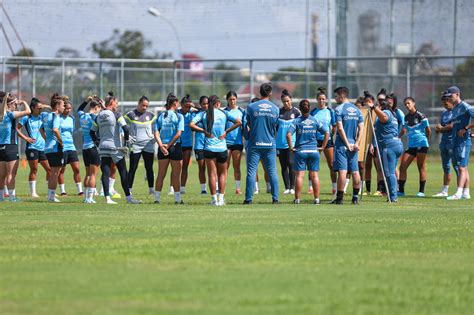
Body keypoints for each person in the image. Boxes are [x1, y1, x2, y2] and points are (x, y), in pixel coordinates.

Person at [190, 95, 241, 206]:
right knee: (222, 175)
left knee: (212, 175)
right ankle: (221, 199)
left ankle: (214, 200)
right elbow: (239, 122)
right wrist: (226, 132)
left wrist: (204, 131)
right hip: (222, 148)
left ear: (209, 103)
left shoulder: (203, 114)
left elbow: (191, 124)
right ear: (217, 103)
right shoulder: (224, 113)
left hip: (209, 148)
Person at [90, 91, 141, 204]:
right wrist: (127, 141)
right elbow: (126, 128)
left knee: (105, 172)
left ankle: (107, 198)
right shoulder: (117, 114)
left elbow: (92, 132)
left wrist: (97, 142)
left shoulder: (99, 116)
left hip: (103, 147)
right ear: (111, 102)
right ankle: (129, 198)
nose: (117, 105)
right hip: (115, 148)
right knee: (123, 171)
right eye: (116, 103)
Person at [243, 82, 280, 204]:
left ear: (260, 92)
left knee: (251, 171)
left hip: (254, 144)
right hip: (270, 144)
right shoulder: (275, 108)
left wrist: (248, 137)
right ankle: (275, 199)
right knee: (272, 171)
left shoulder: (251, 107)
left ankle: (248, 199)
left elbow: (245, 124)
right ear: (270, 93)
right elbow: (276, 126)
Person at [287, 99, 329, 204]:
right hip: (314, 151)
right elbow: (327, 133)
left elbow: (288, 135)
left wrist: (291, 147)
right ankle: (317, 199)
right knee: (314, 176)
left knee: (299, 176)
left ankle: (297, 199)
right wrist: (323, 146)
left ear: (300, 109)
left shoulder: (296, 121)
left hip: (301, 151)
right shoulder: (315, 120)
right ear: (309, 108)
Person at [365, 92, 403, 203]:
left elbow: (384, 117)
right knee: (391, 171)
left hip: (389, 146)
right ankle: (394, 192)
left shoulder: (386, 112)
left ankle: (393, 197)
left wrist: (374, 108)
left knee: (389, 172)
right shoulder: (394, 115)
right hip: (397, 145)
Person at [332, 86, 364, 205]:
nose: (335, 99)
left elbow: (340, 128)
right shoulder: (357, 110)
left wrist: (346, 143)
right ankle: (355, 198)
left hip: (342, 145)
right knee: (355, 172)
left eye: (336, 96)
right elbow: (362, 128)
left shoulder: (339, 109)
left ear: (342, 96)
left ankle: (339, 199)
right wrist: (356, 143)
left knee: (342, 171)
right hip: (354, 145)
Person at [16, 98, 51, 198]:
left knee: (49, 169)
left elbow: (50, 109)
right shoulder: (27, 117)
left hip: (43, 147)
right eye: (38, 108)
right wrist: (26, 138)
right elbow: (17, 129)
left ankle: (50, 192)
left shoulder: (42, 117)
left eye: (41, 108)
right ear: (32, 108)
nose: (40, 109)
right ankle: (33, 193)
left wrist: (43, 106)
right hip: (32, 147)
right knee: (34, 169)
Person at [153, 93, 184, 204]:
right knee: (176, 175)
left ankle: (157, 199)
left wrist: (161, 146)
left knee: (161, 174)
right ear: (175, 103)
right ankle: (177, 200)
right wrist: (169, 145)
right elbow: (178, 134)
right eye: (178, 103)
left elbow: (156, 133)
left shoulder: (160, 116)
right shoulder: (179, 116)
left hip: (162, 149)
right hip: (174, 147)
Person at [0, 93, 31, 202]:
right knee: (11, 174)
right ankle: (12, 197)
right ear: (10, 104)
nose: (16, 105)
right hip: (10, 147)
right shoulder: (10, 114)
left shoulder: (1, 115)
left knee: (2, 175)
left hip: (1, 147)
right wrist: (24, 102)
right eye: (15, 103)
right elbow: (28, 111)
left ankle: (1, 197)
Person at [398, 97, 430, 197]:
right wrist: (397, 137)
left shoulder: (421, 115)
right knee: (402, 166)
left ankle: (421, 191)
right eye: (405, 104)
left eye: (409, 103)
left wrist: (425, 142)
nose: (407, 105)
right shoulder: (406, 118)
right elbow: (404, 130)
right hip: (411, 145)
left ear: (413, 103)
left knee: (421, 167)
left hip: (421, 144)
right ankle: (401, 191)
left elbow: (428, 130)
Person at [124, 95, 156, 195]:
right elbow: (120, 125)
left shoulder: (151, 115)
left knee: (149, 167)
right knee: (133, 168)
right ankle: (129, 190)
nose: (145, 108)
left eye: (147, 106)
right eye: (143, 105)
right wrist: (126, 136)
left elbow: (157, 127)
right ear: (138, 104)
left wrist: (155, 138)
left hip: (148, 145)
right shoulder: (130, 114)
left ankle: (151, 189)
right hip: (135, 145)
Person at [444, 86, 472, 200]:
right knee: (462, 167)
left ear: (457, 94)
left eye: (451, 96)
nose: (449, 98)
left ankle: (458, 193)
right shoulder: (454, 108)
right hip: (455, 142)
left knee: (461, 167)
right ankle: (466, 192)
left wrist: (466, 128)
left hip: (463, 142)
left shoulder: (465, 106)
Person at [310, 87, 337, 195]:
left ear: (325, 100)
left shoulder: (330, 111)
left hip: (328, 140)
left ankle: (334, 187)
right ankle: (310, 187)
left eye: (323, 99)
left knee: (331, 164)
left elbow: (334, 126)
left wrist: (330, 135)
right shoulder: (313, 112)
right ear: (317, 100)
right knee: (312, 164)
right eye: (319, 99)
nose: (321, 101)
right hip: (315, 140)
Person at [78, 95, 102, 203]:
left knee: (87, 174)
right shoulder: (95, 117)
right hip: (93, 147)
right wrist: (103, 105)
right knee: (93, 174)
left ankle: (85, 197)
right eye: (99, 109)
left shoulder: (82, 116)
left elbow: (79, 109)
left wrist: (86, 101)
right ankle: (90, 198)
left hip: (85, 148)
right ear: (96, 108)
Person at [276, 89, 300, 194]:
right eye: (284, 101)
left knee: (291, 164)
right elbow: (276, 127)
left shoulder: (296, 112)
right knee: (284, 165)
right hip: (280, 144)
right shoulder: (279, 112)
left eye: (288, 101)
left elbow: (300, 127)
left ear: (291, 100)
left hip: (292, 144)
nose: (286, 103)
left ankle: (292, 187)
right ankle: (287, 187)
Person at [433, 93, 457, 197]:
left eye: (446, 103)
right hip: (444, 142)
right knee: (446, 167)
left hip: (453, 142)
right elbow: (441, 126)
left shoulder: (457, 112)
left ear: (451, 101)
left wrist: (441, 128)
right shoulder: (444, 113)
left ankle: (462, 190)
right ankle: (445, 190)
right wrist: (438, 129)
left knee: (457, 166)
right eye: (443, 103)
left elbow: (452, 126)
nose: (445, 105)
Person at [58, 98, 83, 196]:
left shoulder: (72, 118)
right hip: (61, 147)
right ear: (63, 108)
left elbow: (71, 132)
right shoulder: (58, 118)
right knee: (62, 169)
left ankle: (80, 191)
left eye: (70, 109)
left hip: (71, 146)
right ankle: (63, 191)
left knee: (76, 168)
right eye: (66, 108)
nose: (68, 110)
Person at [43, 93, 65, 202]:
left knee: (52, 172)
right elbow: (55, 130)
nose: (64, 107)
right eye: (62, 105)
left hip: (47, 148)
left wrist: (46, 139)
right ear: (57, 107)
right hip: (55, 148)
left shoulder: (46, 116)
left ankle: (51, 195)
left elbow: (41, 129)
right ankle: (51, 197)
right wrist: (61, 141)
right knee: (55, 173)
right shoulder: (56, 116)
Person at [365, 88, 386, 195]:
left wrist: (373, 144)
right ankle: (367, 189)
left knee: (379, 166)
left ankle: (380, 189)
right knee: (367, 166)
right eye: (379, 99)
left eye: (382, 100)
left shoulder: (380, 112)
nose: (380, 101)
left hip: (377, 143)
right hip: (366, 142)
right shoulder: (367, 111)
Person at [223, 91, 245, 195]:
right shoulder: (224, 112)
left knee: (236, 166)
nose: (232, 101)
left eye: (234, 99)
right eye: (230, 99)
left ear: (236, 99)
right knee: (224, 166)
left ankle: (238, 188)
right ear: (227, 100)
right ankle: (222, 188)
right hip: (226, 142)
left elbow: (245, 126)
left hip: (237, 142)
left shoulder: (241, 111)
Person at [177, 94, 197, 194]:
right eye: (186, 106)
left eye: (189, 107)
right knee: (176, 166)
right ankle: (173, 187)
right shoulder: (176, 113)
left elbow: (204, 110)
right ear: (181, 105)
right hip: (177, 143)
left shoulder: (192, 114)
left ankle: (182, 188)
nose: (188, 108)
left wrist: (194, 106)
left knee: (185, 166)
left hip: (188, 144)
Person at [194, 96, 209, 194]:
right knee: (202, 167)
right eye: (204, 104)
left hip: (211, 144)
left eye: (208, 104)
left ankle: (216, 187)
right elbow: (192, 126)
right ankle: (203, 189)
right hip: (199, 145)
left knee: (212, 167)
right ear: (200, 104)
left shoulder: (213, 114)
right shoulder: (196, 115)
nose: (206, 106)